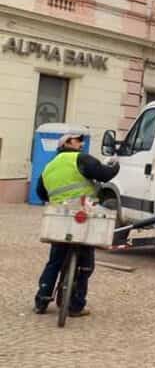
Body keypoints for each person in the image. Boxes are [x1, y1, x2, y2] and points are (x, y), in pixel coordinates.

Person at [34, 133, 120, 317]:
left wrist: (57, 200)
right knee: (86, 262)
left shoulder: (48, 167)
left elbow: (41, 192)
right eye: (77, 140)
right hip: (83, 215)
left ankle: (41, 300)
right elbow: (104, 174)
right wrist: (115, 165)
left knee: (55, 260)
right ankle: (75, 306)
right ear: (66, 143)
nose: (81, 144)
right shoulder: (80, 159)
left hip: (60, 216)